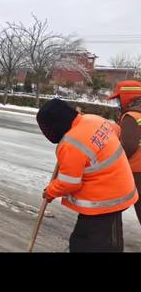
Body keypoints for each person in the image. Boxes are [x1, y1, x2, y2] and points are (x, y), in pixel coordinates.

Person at [36, 98, 138, 252]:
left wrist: (49, 192)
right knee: (102, 237)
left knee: (91, 244)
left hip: (105, 200)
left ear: (54, 126)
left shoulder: (70, 143)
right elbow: (117, 130)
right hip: (117, 188)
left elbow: (69, 182)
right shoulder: (93, 119)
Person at [107, 80, 141, 225]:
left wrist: (111, 162)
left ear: (127, 97)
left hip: (137, 171)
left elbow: (128, 145)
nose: (118, 102)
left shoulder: (131, 116)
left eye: (119, 98)